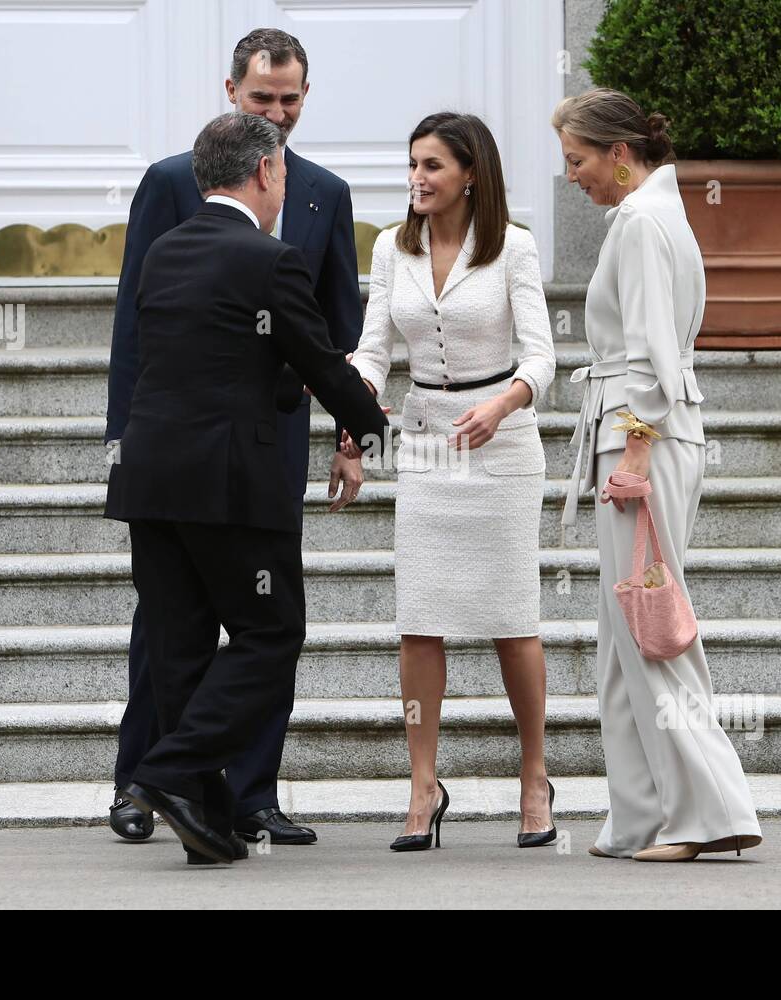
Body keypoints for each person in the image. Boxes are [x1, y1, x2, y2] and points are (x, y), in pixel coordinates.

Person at [106, 111, 390, 866]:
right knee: (270, 635)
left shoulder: (166, 251)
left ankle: (206, 821)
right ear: (264, 172)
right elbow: (323, 360)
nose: (285, 186)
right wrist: (370, 427)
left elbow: (203, 356)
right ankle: (164, 774)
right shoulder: (270, 260)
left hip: (151, 480)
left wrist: (282, 383)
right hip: (231, 482)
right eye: (284, 176)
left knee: (181, 649)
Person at [552, 89, 763, 861]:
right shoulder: (652, 216)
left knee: (649, 633)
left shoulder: (641, 221)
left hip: (640, 438)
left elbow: (648, 352)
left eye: (576, 159)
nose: (570, 175)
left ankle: (706, 813)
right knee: (621, 639)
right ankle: (643, 812)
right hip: (642, 435)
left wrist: (634, 454)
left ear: (618, 153)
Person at [347, 112, 558, 851]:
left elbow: (542, 359)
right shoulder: (389, 247)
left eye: (432, 166)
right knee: (419, 618)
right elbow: (373, 349)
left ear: (471, 174)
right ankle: (422, 784)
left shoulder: (514, 250)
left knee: (513, 619)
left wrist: (501, 405)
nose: (417, 179)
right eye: (412, 164)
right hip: (427, 440)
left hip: (502, 445)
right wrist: (355, 399)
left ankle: (535, 776)